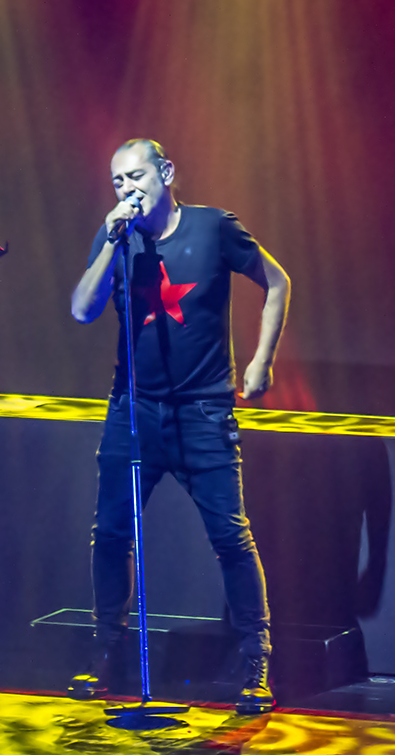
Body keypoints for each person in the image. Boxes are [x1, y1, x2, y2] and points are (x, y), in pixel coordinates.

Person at [67, 138, 290, 715]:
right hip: (133, 409)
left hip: (203, 411)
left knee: (230, 537)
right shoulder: (117, 238)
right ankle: (105, 654)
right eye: (117, 181)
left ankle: (256, 661)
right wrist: (109, 240)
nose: (127, 188)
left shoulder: (214, 228)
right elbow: (82, 309)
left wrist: (262, 360)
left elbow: (277, 282)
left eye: (136, 176)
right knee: (110, 533)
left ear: (165, 172)